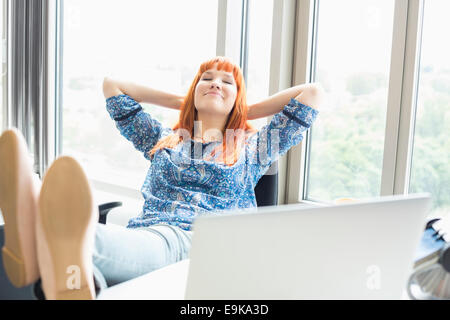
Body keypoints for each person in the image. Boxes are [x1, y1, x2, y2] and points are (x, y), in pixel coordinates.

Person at [0, 56, 322, 300]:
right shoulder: (163, 140)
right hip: (150, 234)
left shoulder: (253, 148)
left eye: (227, 82)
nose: (215, 83)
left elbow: (311, 93)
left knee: (80, 238)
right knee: (89, 273)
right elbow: (113, 86)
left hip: (203, 245)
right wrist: (184, 103)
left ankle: (34, 231)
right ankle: (54, 253)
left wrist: (242, 110)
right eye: (206, 79)